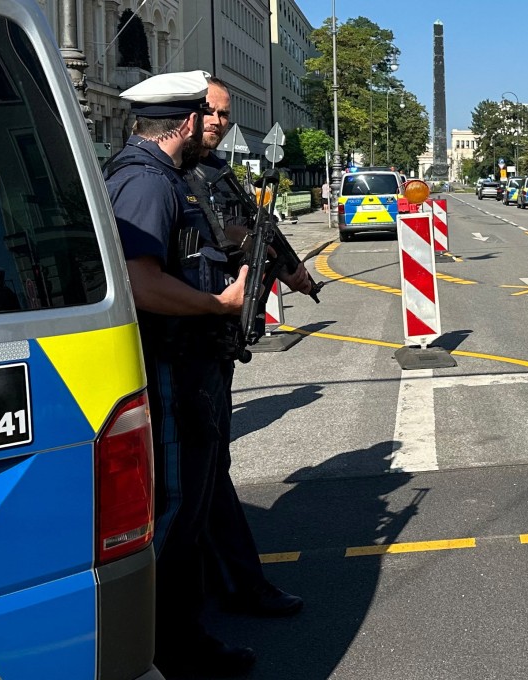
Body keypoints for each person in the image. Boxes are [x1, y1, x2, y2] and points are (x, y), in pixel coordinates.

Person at [103, 70, 255, 677]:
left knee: (191, 500)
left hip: (191, 363)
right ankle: (167, 647)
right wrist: (219, 305)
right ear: (188, 121)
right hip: (172, 366)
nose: (214, 126)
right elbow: (140, 282)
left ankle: (180, 633)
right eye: (207, 116)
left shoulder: (164, 178)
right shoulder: (146, 181)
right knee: (173, 508)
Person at [189, 76, 306, 619]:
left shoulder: (216, 172)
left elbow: (261, 229)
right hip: (187, 339)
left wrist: (295, 273)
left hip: (215, 341)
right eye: (209, 113)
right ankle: (235, 584)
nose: (217, 122)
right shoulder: (163, 178)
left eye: (224, 115)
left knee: (210, 464)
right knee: (204, 467)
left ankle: (212, 577)